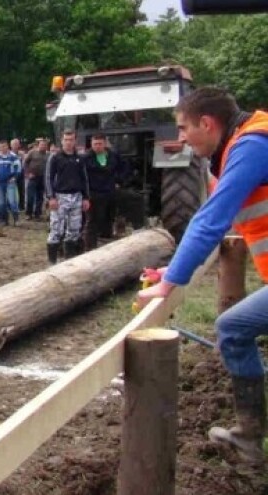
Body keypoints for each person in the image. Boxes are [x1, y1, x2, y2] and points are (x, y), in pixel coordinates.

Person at [137, 87, 268, 463]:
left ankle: (249, 437)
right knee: (236, 326)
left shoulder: (251, 146)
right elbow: (214, 221)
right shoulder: (238, 150)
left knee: (234, 327)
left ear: (207, 124)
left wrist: (168, 284)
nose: (179, 139)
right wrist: (173, 268)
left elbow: (209, 222)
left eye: (182, 129)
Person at [45, 130, 90, 263]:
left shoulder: (80, 158)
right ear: (62, 141)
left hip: (76, 197)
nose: (68, 142)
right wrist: (51, 197)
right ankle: (52, 262)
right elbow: (48, 178)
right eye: (66, 140)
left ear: (75, 141)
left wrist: (86, 197)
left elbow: (84, 179)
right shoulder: (55, 157)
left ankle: (69, 260)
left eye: (71, 140)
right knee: (56, 229)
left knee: (74, 230)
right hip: (60, 197)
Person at [83, 134, 126, 251]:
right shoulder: (86, 158)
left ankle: (106, 241)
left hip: (110, 192)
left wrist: (119, 181)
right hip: (93, 193)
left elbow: (123, 168)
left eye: (99, 144)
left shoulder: (113, 155)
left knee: (109, 217)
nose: (97, 146)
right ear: (91, 144)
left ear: (105, 143)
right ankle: (90, 247)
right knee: (93, 220)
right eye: (95, 144)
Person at [0, 140, 22, 226]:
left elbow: (18, 168)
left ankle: (16, 219)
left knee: (12, 201)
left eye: (4, 146)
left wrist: (14, 177)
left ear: (7, 146)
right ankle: (4, 220)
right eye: (0, 147)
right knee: (1, 202)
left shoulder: (13, 156)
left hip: (10, 182)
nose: (2, 148)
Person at [23, 138, 49, 220]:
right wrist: (27, 173)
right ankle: (28, 213)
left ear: (46, 147)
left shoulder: (48, 155)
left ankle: (38, 214)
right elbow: (25, 162)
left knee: (40, 197)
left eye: (44, 145)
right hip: (32, 177)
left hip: (43, 178)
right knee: (30, 196)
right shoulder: (32, 152)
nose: (43, 146)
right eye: (41, 145)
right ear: (38, 145)